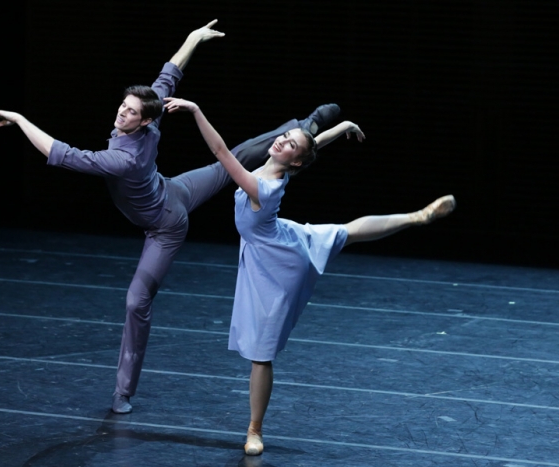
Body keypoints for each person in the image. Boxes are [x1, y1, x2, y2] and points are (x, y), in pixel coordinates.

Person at [0, 20, 341, 414]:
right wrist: (192, 39)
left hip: (165, 224)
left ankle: (123, 392)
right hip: (174, 190)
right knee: (233, 161)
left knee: (136, 301)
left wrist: (20, 119)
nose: (122, 112)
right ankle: (304, 127)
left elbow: (62, 153)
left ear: (145, 120)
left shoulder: (122, 159)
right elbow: (168, 76)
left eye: (130, 111)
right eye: (122, 106)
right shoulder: (150, 113)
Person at [163, 96, 456, 455]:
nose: (282, 141)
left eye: (290, 145)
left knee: (261, 353)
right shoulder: (274, 167)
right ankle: (417, 217)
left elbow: (221, 151)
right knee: (345, 232)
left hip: (277, 266)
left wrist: (195, 110)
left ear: (295, 161)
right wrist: (343, 127)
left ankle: (254, 430)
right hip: (279, 240)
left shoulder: (263, 187)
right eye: (285, 137)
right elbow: (311, 144)